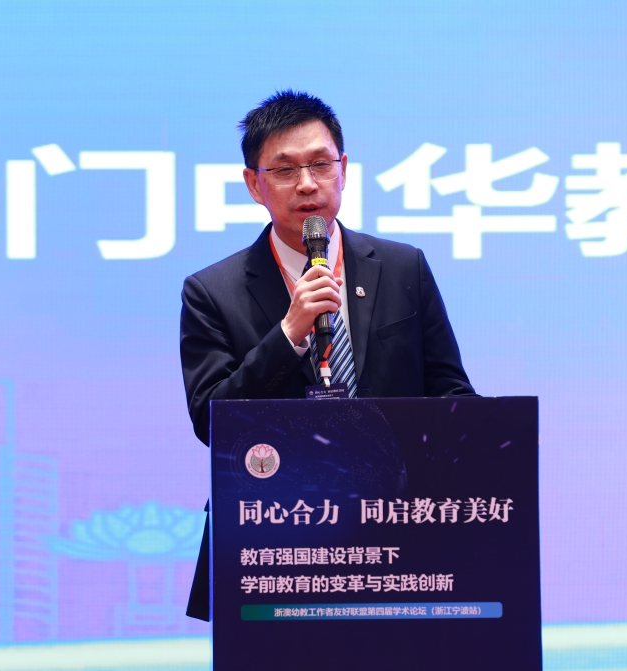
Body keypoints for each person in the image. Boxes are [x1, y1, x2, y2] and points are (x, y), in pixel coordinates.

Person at [180, 91, 475, 620]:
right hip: (275, 535)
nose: (307, 183)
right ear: (254, 184)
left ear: (344, 169)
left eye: (320, 164)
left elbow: (450, 392)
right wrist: (288, 333)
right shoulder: (212, 292)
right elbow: (211, 421)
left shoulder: (402, 268)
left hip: (399, 532)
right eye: (285, 169)